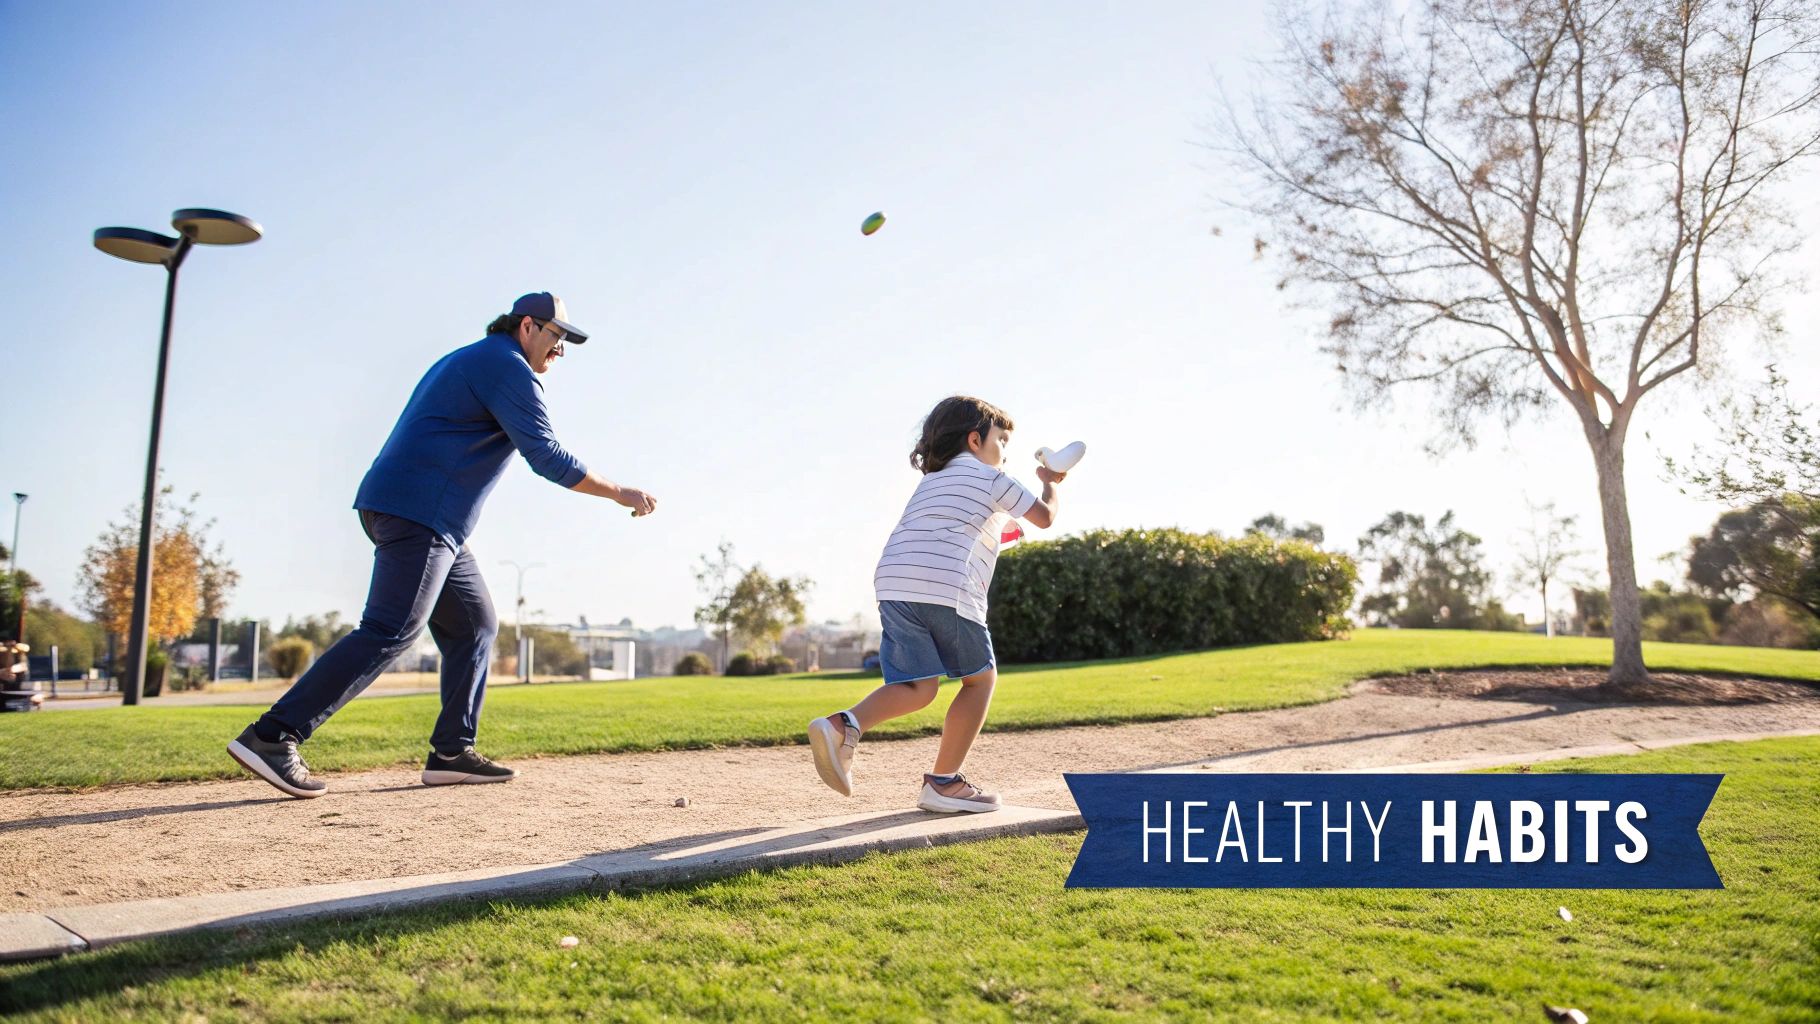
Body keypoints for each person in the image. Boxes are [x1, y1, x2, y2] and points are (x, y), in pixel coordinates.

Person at [228, 293, 657, 799]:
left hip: (425, 516)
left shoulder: (470, 357)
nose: (560, 351)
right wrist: (619, 492)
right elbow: (546, 456)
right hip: (421, 514)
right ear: (527, 326)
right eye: (557, 337)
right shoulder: (508, 367)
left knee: (475, 623)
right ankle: (274, 736)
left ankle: (452, 751)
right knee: (390, 630)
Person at [807, 395, 1063, 813]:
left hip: (894, 582)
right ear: (976, 439)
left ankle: (841, 726)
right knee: (980, 681)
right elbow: (1044, 517)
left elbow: (959, 527)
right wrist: (1051, 480)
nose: (1003, 452)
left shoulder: (932, 482)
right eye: (1001, 440)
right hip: (946, 586)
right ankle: (943, 783)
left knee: (916, 686)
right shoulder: (993, 478)